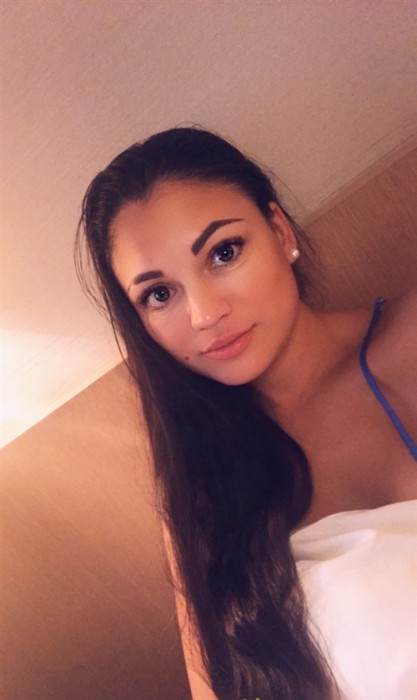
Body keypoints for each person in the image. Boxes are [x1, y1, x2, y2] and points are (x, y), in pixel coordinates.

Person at [76, 127, 417, 700]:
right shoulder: (201, 494)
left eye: (223, 253)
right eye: (160, 294)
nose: (205, 314)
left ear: (280, 231)